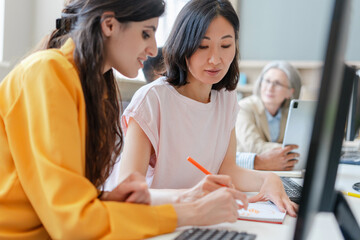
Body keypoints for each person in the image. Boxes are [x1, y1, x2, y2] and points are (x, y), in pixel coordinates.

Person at [0, 0, 249, 239]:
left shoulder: (94, 86)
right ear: (109, 25)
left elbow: (67, 204)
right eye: (146, 33)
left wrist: (110, 200)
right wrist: (190, 212)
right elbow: (72, 223)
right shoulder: (47, 73)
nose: (153, 49)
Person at [115, 0, 297, 217]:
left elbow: (227, 169)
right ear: (184, 46)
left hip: (200, 217)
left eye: (226, 45)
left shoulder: (226, 98)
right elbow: (127, 194)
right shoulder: (152, 101)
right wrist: (192, 196)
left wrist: (268, 179)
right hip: (156, 220)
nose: (215, 59)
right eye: (203, 46)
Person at [235, 61, 303, 171]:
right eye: (267, 81)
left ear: (290, 92)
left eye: (277, 84)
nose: (270, 88)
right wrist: (293, 151)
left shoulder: (289, 114)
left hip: (279, 172)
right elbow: (254, 147)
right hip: (248, 171)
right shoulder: (243, 108)